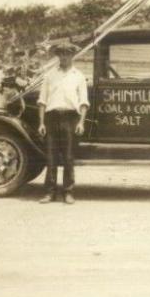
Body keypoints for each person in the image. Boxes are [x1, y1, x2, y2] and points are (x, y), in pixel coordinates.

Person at [37, 41, 89, 204]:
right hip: (52, 118)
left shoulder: (78, 76)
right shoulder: (50, 75)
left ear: (72, 56)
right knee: (51, 157)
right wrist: (41, 123)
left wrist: (81, 122)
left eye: (67, 54)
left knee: (68, 157)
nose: (64, 57)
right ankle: (49, 193)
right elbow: (42, 101)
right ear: (57, 56)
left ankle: (68, 192)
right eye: (61, 54)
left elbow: (84, 102)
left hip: (70, 119)